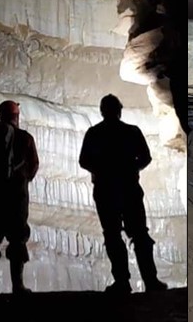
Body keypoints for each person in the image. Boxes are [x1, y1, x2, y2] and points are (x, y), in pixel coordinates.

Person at [79, 94, 167, 294]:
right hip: (128, 188)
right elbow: (145, 157)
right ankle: (150, 281)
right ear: (119, 110)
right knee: (139, 234)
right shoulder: (131, 131)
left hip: (105, 189)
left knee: (112, 234)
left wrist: (101, 170)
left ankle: (122, 282)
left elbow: (84, 161)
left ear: (102, 111)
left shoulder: (95, 133)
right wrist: (131, 168)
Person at [0, 101, 39, 293]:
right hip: (17, 197)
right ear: (16, 116)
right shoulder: (25, 138)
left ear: (0, 115)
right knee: (17, 239)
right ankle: (17, 285)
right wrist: (22, 178)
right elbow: (34, 164)